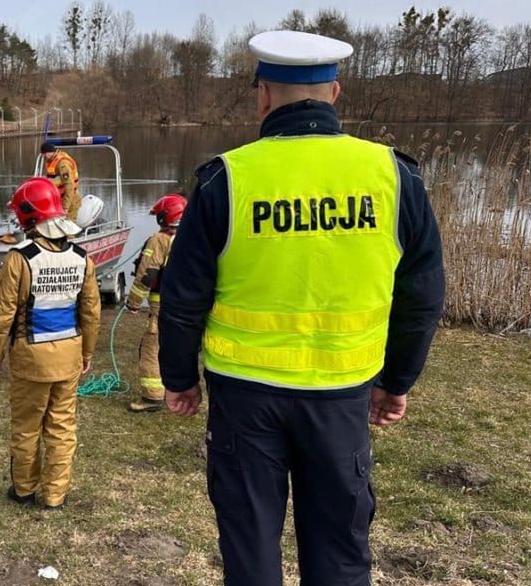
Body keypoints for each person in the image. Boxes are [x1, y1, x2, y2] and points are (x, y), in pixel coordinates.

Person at [157, 30, 445, 586]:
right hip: (342, 395)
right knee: (339, 549)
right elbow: (422, 296)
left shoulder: (226, 178)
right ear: (334, 92)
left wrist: (179, 377)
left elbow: (183, 296)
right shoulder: (394, 176)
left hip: (245, 396)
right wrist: (398, 379)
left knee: (250, 545)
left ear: (262, 96)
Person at [0, 176, 101, 510]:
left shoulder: (20, 258)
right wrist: (88, 352)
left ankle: (24, 490)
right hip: (69, 356)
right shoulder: (82, 257)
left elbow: (2, 314)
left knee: (26, 427)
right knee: (62, 429)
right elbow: (91, 312)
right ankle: (54, 496)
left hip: (30, 360)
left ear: (27, 217)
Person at [125, 193, 187, 413]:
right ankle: (179, 392)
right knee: (177, 349)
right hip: (187, 306)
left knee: (151, 350)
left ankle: (152, 397)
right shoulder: (193, 237)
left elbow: (147, 273)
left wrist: (133, 302)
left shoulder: (160, 239)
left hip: (162, 305)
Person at [40, 142, 80, 222]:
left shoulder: (62, 164)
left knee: (69, 227)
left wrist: (65, 207)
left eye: (44, 154)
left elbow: (69, 186)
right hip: (59, 199)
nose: (44, 157)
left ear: (48, 153)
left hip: (70, 200)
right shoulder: (52, 161)